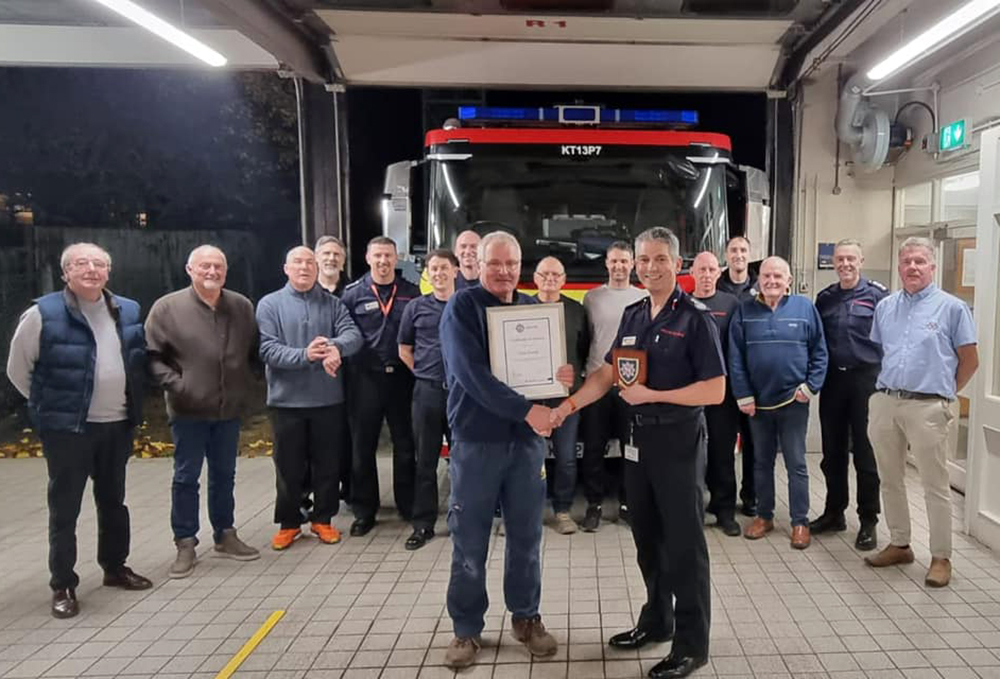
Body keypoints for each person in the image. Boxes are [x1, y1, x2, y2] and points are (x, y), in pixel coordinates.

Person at [553, 227, 725, 679]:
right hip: (636, 444)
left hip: (678, 444)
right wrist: (569, 404)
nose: (650, 267)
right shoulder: (632, 315)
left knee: (684, 545)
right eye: (643, 259)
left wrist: (651, 397)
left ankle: (692, 645)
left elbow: (715, 388)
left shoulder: (694, 318)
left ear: (677, 263)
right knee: (647, 538)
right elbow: (609, 375)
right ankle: (657, 620)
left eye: (660, 260)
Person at [438, 231, 573, 669]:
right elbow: (471, 375)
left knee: (527, 537)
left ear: (521, 266)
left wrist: (560, 381)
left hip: (524, 445)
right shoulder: (462, 307)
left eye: (511, 264)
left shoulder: (534, 310)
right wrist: (526, 410)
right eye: (494, 264)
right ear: (477, 263)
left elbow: (544, 380)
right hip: (477, 442)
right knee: (470, 538)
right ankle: (465, 629)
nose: (503, 272)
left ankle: (526, 618)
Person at [6, 242, 152, 619]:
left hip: (116, 423)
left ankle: (115, 567)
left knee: (113, 502)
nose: (91, 270)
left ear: (108, 271)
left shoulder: (128, 309)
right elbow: (19, 370)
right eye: (81, 264)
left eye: (99, 264)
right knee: (65, 508)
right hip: (68, 429)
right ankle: (63, 583)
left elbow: (136, 361)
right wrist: (46, 409)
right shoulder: (43, 313)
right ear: (65, 272)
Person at [865, 237, 978, 588]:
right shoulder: (885, 307)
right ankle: (900, 543)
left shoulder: (953, 308)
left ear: (931, 266)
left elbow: (970, 361)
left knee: (934, 485)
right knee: (890, 478)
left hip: (930, 406)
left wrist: (944, 393)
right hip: (886, 402)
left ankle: (941, 557)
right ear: (898, 267)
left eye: (920, 261)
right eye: (906, 262)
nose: (912, 267)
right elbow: (883, 351)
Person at [145, 245, 261, 579]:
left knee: (225, 475)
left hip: (229, 409)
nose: (212, 272)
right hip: (188, 410)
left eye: (218, 267)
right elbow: (152, 358)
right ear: (190, 269)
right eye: (205, 266)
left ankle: (225, 534)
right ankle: (185, 542)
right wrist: (180, 385)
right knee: (186, 477)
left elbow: (253, 351)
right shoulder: (167, 309)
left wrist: (248, 384)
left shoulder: (240, 306)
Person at [257, 246, 362, 550]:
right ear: (286, 268)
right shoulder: (270, 305)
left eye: (309, 263)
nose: (304, 268)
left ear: (316, 269)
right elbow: (267, 349)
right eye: (297, 263)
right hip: (285, 401)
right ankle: (290, 523)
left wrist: (333, 347)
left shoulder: (332, 304)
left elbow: (353, 336)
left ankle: (323, 519)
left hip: (328, 400)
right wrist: (307, 355)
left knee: (327, 464)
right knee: (288, 467)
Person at [729, 256, 828, 550]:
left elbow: (820, 352)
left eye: (778, 276)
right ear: (758, 279)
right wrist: (743, 395)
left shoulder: (805, 309)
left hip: (794, 402)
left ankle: (800, 521)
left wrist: (810, 388)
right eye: (767, 276)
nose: (772, 281)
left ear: (789, 281)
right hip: (757, 405)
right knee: (761, 462)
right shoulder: (744, 311)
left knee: (797, 462)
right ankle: (764, 516)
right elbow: (735, 357)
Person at [811, 239, 888, 551]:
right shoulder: (825, 299)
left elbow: (890, 340)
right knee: (833, 452)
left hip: (865, 381)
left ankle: (868, 519)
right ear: (833, 262)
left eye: (850, 259)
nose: (844, 264)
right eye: (839, 259)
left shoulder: (878, 296)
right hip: (833, 382)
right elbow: (816, 340)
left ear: (861, 260)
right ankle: (834, 512)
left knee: (866, 454)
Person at [341, 236, 420, 536]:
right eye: (378, 256)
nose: (384, 261)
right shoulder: (352, 295)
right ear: (368, 257)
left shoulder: (411, 293)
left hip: (403, 378)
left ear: (396, 257)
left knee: (405, 445)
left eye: (388, 255)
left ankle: (408, 505)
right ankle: (364, 511)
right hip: (365, 379)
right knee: (363, 447)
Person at [580, 242, 647, 531]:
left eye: (624, 261)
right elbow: (586, 339)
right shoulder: (591, 298)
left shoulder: (644, 296)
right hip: (596, 381)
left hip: (630, 385)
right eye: (614, 262)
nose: (619, 266)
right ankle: (593, 504)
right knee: (593, 446)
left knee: (630, 446)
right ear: (606, 264)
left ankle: (627, 502)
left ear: (632, 264)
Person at [397, 249, 458, 550]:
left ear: (456, 271)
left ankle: (462, 521)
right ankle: (423, 525)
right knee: (426, 462)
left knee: (463, 461)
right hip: (427, 392)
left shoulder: (467, 306)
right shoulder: (415, 308)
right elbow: (404, 348)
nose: (438, 273)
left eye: (444, 268)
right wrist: (423, 372)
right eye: (433, 268)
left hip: (462, 395)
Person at [533, 256, 590, 535]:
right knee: (526, 456)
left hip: (565, 398)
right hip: (529, 399)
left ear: (564, 279)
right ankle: (525, 512)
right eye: (544, 275)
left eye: (556, 275)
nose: (550, 280)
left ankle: (563, 510)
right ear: (535, 278)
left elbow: (583, 350)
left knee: (566, 457)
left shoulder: (576, 311)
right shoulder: (521, 308)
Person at [690, 251, 741, 537]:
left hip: (723, 392)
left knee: (723, 451)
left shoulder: (731, 304)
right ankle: (693, 508)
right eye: (702, 270)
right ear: (693, 273)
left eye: (711, 270)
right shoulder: (683, 304)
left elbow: (736, 348)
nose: (707, 275)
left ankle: (724, 511)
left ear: (718, 273)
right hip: (692, 391)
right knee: (691, 452)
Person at [716, 235, 759, 516]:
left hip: (755, 380)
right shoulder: (714, 287)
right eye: (733, 250)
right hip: (723, 380)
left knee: (754, 444)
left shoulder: (761, 287)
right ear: (726, 255)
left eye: (743, 250)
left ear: (749, 254)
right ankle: (723, 501)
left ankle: (752, 498)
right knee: (721, 445)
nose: (738, 255)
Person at [315, 235, 352, 506]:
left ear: (344, 260)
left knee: (347, 438)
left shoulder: (353, 292)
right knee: (312, 443)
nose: (331, 259)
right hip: (311, 377)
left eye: (336, 255)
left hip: (348, 377)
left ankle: (349, 491)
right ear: (317, 258)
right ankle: (308, 495)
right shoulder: (304, 290)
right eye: (326, 253)